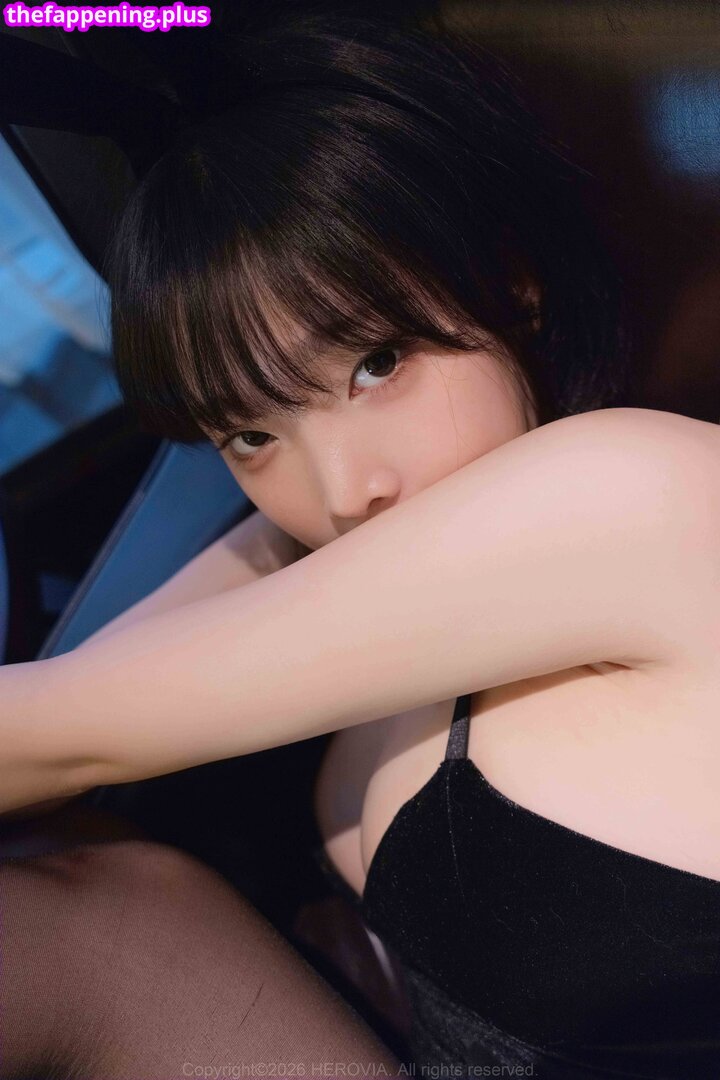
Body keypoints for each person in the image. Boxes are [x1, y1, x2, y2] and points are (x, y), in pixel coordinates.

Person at [2, 12, 720, 1079]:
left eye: (377, 363)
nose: (343, 494)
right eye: (250, 436)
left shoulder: (640, 490)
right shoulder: (361, 560)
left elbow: (53, 734)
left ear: (509, 285)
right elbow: (73, 709)